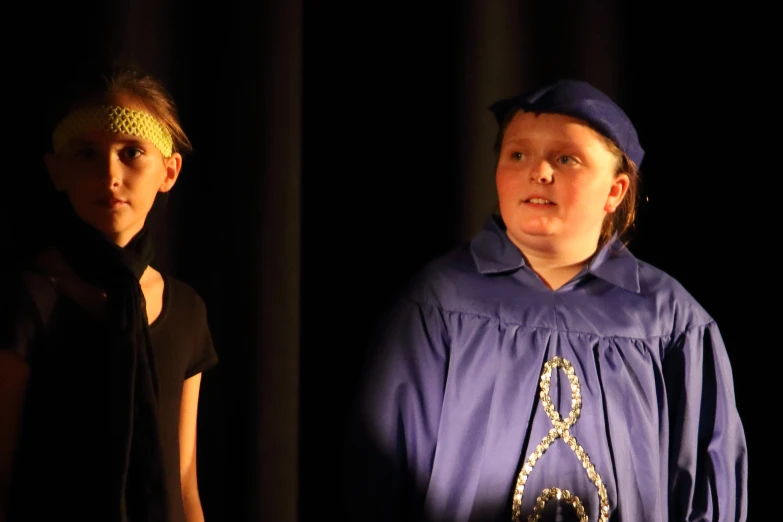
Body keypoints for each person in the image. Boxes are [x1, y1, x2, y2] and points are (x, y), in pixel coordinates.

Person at [342, 79, 748, 521]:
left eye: (565, 158)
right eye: (517, 154)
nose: (538, 171)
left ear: (615, 191)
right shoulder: (438, 305)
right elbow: (379, 479)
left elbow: (707, 495)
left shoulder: (669, 323)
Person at [0, 62, 218, 522]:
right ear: (56, 170)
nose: (110, 173)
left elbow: (183, 480)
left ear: (169, 171)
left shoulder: (186, 311)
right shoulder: (30, 299)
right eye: (86, 154)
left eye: (132, 151)